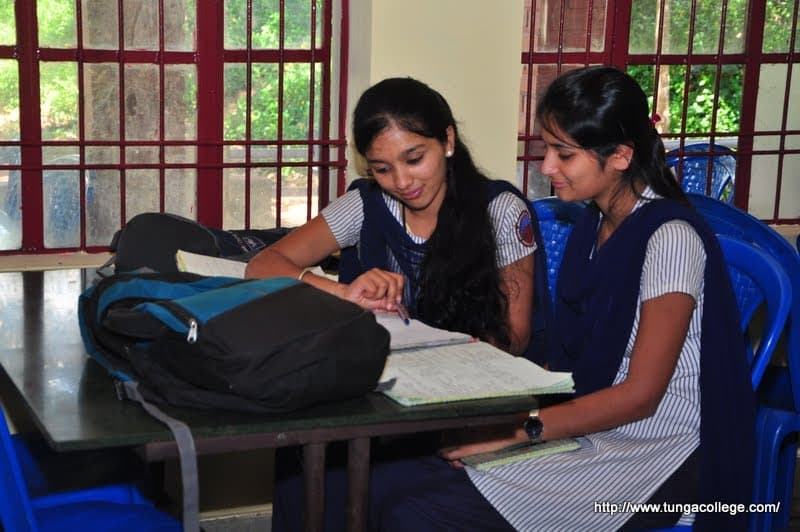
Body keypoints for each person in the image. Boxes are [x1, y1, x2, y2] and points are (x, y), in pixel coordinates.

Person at [272, 66, 755, 531]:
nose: (546, 167)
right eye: (548, 149)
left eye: (563, 154)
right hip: (595, 428)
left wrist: (521, 431)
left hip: (657, 454)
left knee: (417, 510)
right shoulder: (595, 225)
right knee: (367, 481)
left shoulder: (669, 236)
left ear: (622, 156)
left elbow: (641, 396)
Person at [245, 76, 550, 359]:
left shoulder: (500, 211)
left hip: (480, 379)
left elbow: (514, 338)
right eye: (382, 169)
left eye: (414, 159)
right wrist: (344, 293)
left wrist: (430, 355)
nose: (402, 182)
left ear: (448, 141)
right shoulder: (365, 206)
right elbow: (262, 266)